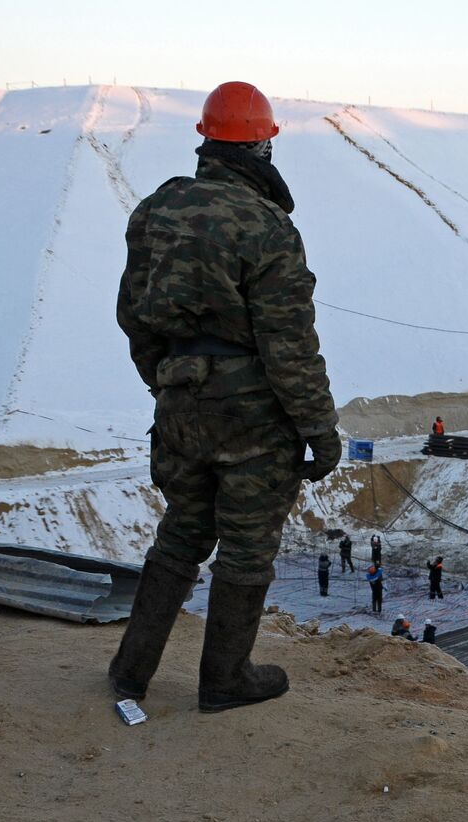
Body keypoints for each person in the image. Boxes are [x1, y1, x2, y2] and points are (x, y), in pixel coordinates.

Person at [108, 81, 341, 714]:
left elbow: (134, 314)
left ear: (206, 141)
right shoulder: (268, 228)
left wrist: (169, 377)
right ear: (263, 147)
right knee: (245, 546)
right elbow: (288, 344)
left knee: (181, 532)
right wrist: (320, 431)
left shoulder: (156, 211)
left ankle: (130, 673)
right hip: (253, 420)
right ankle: (225, 678)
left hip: (180, 405)